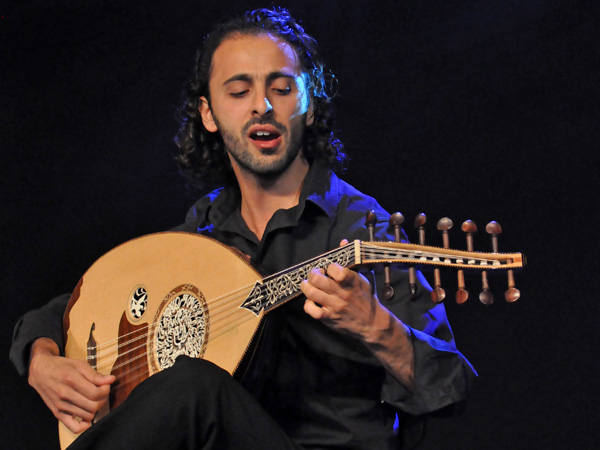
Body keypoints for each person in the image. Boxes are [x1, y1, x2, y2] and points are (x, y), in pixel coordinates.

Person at [10, 7, 476, 450]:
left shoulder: (363, 228)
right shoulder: (206, 230)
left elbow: (452, 383)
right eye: (238, 92)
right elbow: (83, 301)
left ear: (309, 105)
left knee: (194, 385)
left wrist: (377, 326)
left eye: (282, 88)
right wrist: (42, 358)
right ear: (209, 114)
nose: (263, 106)